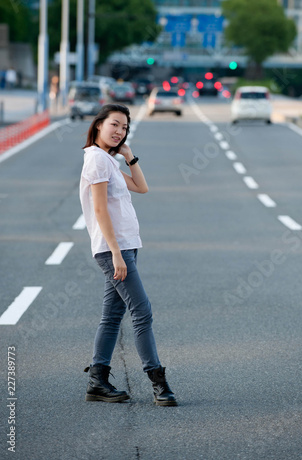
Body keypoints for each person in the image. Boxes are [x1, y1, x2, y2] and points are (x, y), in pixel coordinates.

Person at [80, 104, 177, 406]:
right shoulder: (96, 160)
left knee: (112, 316)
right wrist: (116, 253)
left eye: (124, 127)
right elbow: (99, 209)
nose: (119, 131)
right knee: (142, 311)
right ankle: (158, 383)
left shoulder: (107, 161)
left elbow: (142, 187)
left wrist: (129, 156)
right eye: (114, 124)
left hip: (125, 247)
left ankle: (97, 381)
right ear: (98, 125)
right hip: (115, 250)